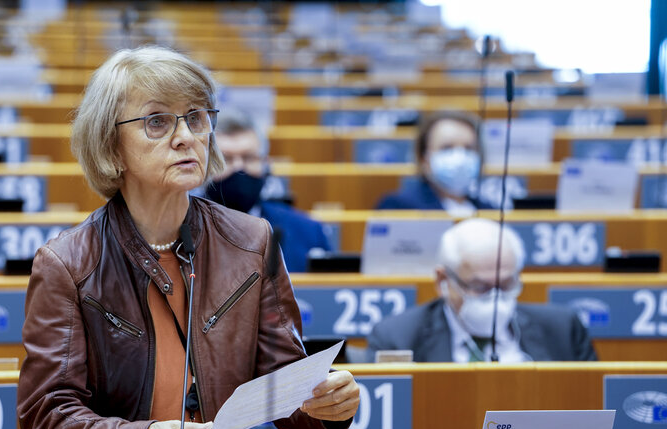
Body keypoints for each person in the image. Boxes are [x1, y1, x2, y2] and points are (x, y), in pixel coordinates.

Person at [16, 46, 359, 429]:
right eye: (157, 121)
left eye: (195, 117)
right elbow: (47, 421)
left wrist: (323, 403)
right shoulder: (68, 263)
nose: (185, 137)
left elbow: (281, 380)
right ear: (111, 146)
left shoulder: (250, 241)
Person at [366, 218, 597, 363]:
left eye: (506, 284)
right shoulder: (397, 338)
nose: (496, 298)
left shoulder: (563, 329)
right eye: (480, 287)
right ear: (442, 281)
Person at [206, 108, 332, 272]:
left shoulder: (308, 231)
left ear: (265, 163)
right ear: (206, 165)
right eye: (225, 159)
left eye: (249, 158)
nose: (239, 167)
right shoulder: (182, 229)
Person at [375, 111, 491, 214]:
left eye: (468, 148)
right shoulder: (400, 207)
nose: (459, 156)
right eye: (447, 148)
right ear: (424, 158)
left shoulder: (489, 211)